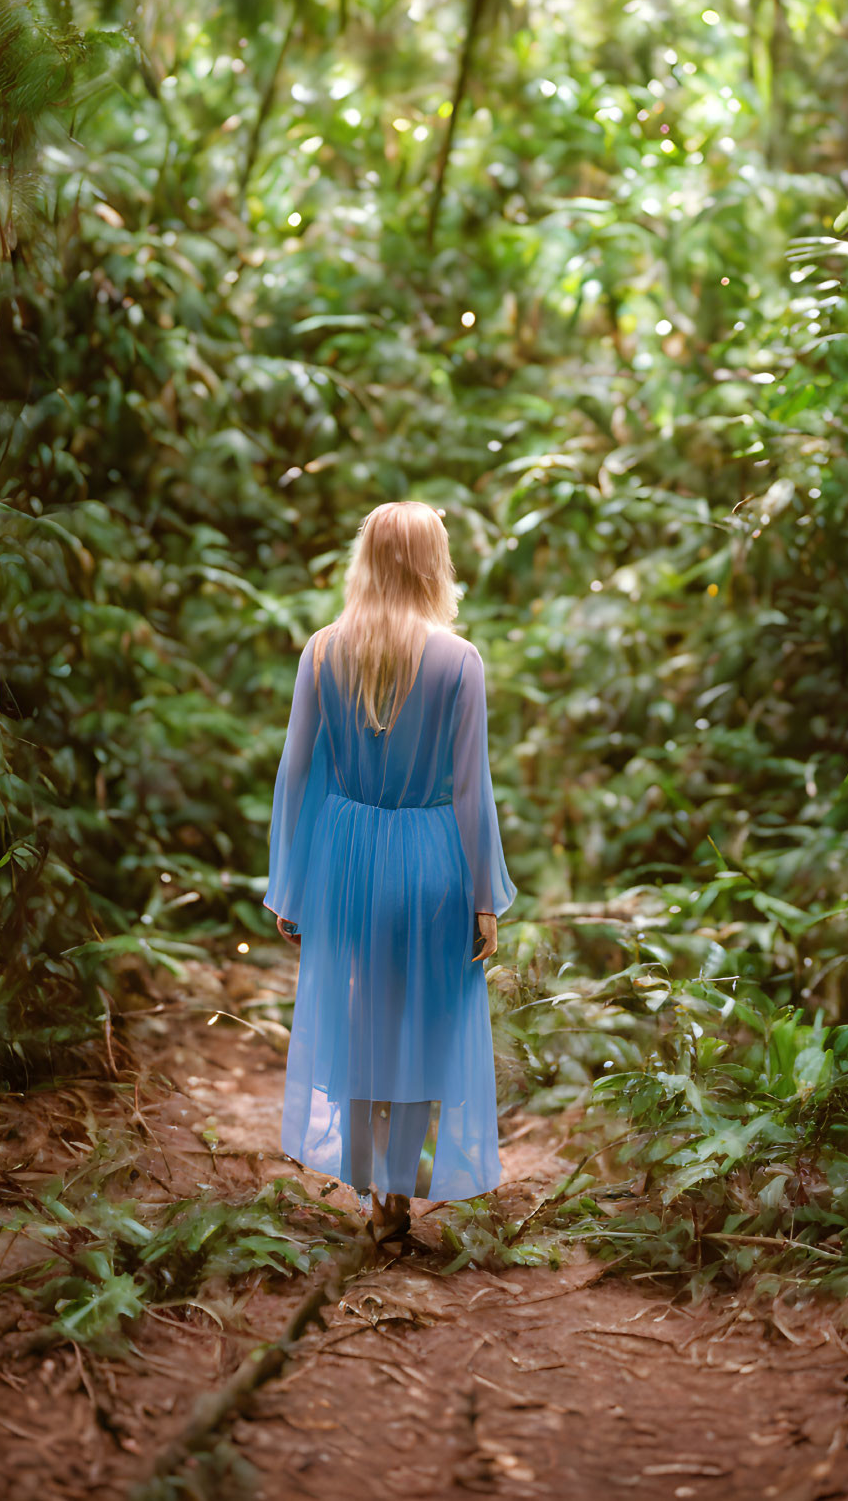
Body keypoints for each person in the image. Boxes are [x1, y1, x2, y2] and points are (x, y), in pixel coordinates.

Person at [262, 500, 517, 1251]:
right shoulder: (458, 659)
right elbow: (472, 788)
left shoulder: (321, 652)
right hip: (430, 858)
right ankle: (395, 1197)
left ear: (365, 559)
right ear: (432, 563)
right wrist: (485, 896)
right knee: (420, 1030)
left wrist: (292, 878)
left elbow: (296, 773)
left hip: (345, 860)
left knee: (360, 1021)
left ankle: (369, 1180)